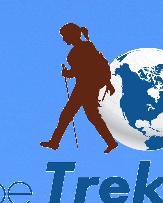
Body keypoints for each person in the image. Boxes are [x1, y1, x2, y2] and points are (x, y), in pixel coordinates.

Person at [43, 24, 120, 152]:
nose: (64, 39)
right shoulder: (86, 47)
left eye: (65, 36)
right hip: (87, 86)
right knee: (91, 116)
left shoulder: (82, 49)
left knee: (68, 114)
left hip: (85, 87)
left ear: (71, 35)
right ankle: (111, 142)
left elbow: (84, 70)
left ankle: (54, 142)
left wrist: (68, 73)